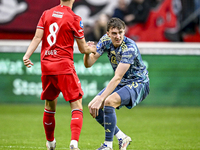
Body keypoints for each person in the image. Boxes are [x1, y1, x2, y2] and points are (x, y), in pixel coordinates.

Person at [23, 0, 96, 150]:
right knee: (76, 104)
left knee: (50, 105)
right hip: (64, 66)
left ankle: (50, 143)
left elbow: (38, 37)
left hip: (47, 66)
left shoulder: (46, 13)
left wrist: (27, 55)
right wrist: (93, 49)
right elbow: (82, 49)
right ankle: (74, 143)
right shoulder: (75, 18)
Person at [84, 18, 149, 150]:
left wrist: (101, 98)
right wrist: (87, 53)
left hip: (138, 83)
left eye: (120, 32)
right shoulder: (105, 40)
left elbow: (117, 77)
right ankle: (122, 137)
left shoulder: (129, 47)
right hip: (123, 82)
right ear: (108, 33)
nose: (118, 36)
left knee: (108, 102)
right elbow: (89, 64)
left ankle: (108, 145)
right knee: (92, 107)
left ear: (124, 32)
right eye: (114, 33)